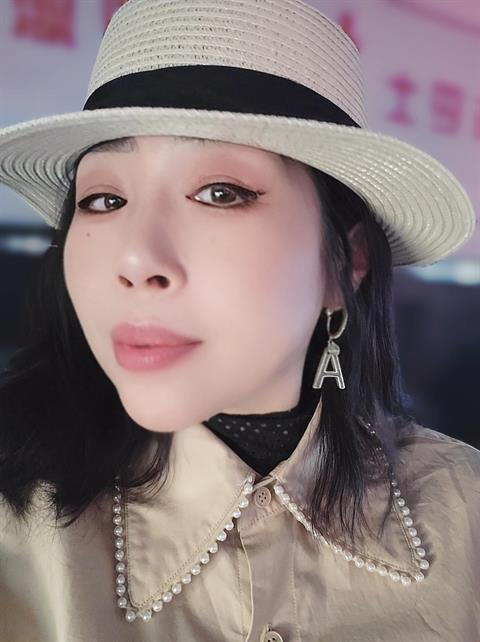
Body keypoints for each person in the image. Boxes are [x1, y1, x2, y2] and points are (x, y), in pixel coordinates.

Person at [0, 1, 478, 641]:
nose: (136, 259)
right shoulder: (17, 534)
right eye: (104, 200)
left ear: (346, 262)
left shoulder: (466, 514)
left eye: (220, 193)